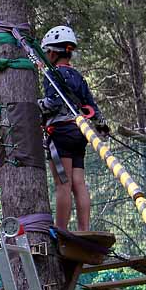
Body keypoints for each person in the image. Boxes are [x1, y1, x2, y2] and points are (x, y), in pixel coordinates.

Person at [37, 26, 108, 231]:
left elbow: (52, 102)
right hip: (80, 132)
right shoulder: (78, 76)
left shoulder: (53, 74)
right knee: (79, 183)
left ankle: (61, 230)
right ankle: (84, 229)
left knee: (63, 184)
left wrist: (36, 105)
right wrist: (101, 127)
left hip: (61, 133)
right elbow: (92, 106)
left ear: (51, 52)